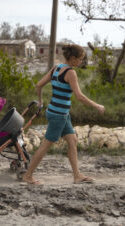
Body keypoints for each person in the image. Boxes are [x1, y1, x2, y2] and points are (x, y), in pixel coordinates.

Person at [22, 44, 105, 185]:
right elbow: (79, 96)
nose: (81, 62)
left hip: (59, 113)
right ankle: (28, 176)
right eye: (80, 59)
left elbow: (38, 85)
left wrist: (40, 101)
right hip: (58, 115)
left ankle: (77, 175)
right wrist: (96, 105)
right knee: (45, 145)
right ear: (72, 58)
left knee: (72, 141)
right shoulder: (71, 73)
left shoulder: (56, 68)